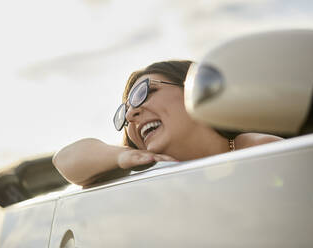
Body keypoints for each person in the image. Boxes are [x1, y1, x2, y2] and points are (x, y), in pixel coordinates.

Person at [53, 60, 283, 186]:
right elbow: (65, 159)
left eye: (146, 92)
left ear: (194, 90)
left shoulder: (261, 151)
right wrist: (123, 157)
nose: (131, 114)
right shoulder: (143, 171)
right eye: (124, 113)